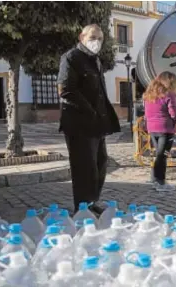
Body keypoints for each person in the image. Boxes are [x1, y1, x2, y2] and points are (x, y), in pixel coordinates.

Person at [57, 24, 120, 215]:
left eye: (100, 39)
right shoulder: (71, 58)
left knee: (100, 165)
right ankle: (82, 208)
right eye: (93, 37)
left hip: (97, 124)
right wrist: (90, 111)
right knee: (84, 168)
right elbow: (65, 89)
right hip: (79, 124)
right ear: (81, 37)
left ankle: (92, 202)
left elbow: (99, 93)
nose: (97, 42)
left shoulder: (96, 60)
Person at [143, 71, 176, 191]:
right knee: (162, 156)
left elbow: (147, 112)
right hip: (165, 129)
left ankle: (155, 179)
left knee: (159, 155)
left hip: (152, 129)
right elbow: (174, 111)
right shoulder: (169, 94)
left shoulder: (149, 94)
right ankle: (160, 182)